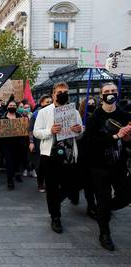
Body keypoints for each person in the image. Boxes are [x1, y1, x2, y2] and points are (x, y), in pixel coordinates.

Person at [86, 82, 131, 251]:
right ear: (101, 95)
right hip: (100, 167)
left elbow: (128, 139)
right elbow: (91, 143)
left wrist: (127, 138)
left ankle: (102, 210)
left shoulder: (124, 115)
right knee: (103, 198)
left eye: (113, 91)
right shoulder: (95, 118)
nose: (110, 93)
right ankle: (104, 233)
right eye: (107, 91)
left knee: (125, 196)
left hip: (119, 165)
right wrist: (115, 136)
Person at [33, 82, 83, 234]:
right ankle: (55, 217)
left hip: (68, 156)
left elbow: (80, 133)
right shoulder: (44, 112)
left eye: (65, 92)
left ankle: (55, 201)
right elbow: (36, 132)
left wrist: (78, 130)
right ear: (54, 94)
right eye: (60, 92)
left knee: (72, 185)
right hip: (51, 156)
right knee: (52, 188)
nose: (62, 94)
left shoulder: (74, 112)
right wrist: (50, 131)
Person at [76, 97, 97, 218]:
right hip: (83, 153)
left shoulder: (97, 116)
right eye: (89, 104)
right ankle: (90, 204)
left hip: (95, 153)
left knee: (92, 182)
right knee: (85, 180)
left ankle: (92, 205)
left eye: (93, 103)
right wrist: (80, 131)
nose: (91, 105)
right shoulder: (79, 116)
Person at [29, 94, 53, 193]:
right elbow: (31, 130)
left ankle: (49, 183)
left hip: (49, 140)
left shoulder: (54, 112)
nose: (49, 104)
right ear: (41, 103)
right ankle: (40, 183)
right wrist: (31, 142)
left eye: (50, 102)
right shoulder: (35, 114)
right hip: (38, 141)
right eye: (47, 102)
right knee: (40, 164)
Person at [0, 101, 24, 190]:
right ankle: (10, 180)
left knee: (17, 161)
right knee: (9, 162)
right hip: (6, 144)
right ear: (7, 106)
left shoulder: (20, 116)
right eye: (10, 105)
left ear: (16, 107)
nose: (12, 106)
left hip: (18, 143)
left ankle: (17, 174)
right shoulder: (2, 117)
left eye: (13, 105)